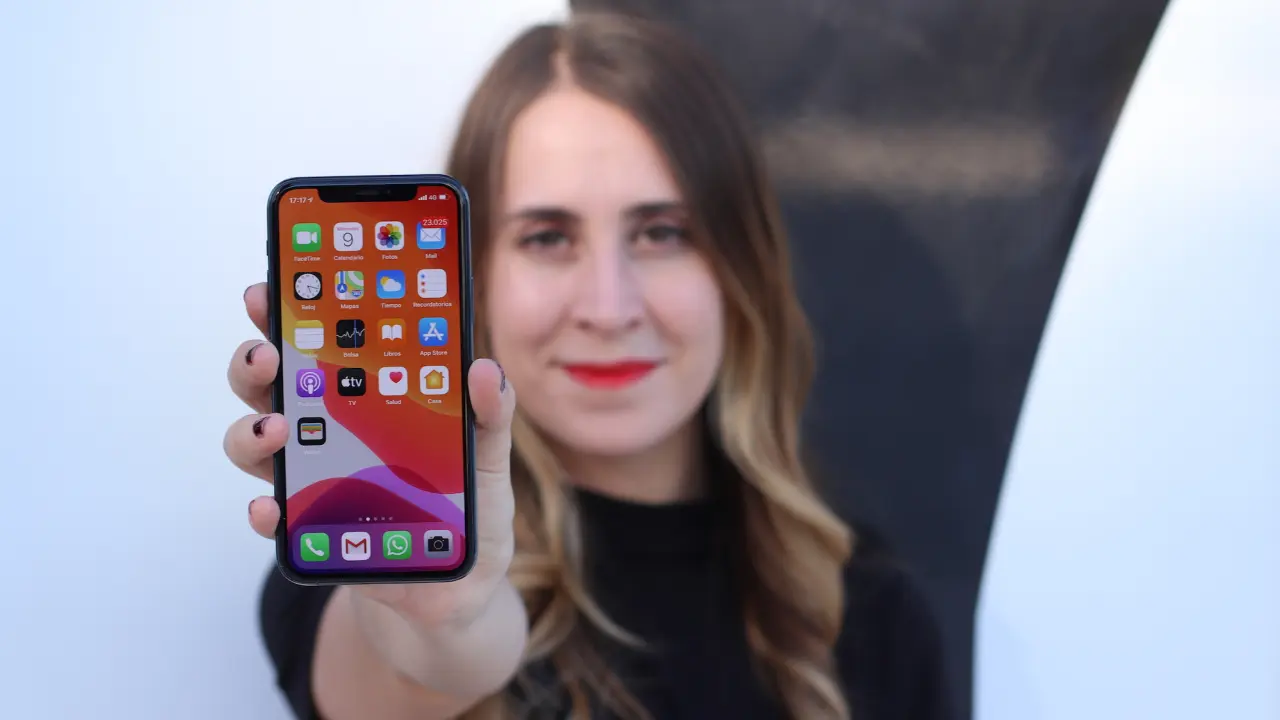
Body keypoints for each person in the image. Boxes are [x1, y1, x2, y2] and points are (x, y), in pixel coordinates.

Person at [224, 12, 954, 720]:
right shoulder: (367, 567)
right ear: (473, 278)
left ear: (740, 269)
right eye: (547, 238)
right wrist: (448, 621)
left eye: (662, 232)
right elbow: (410, 672)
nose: (609, 308)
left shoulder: (872, 614)